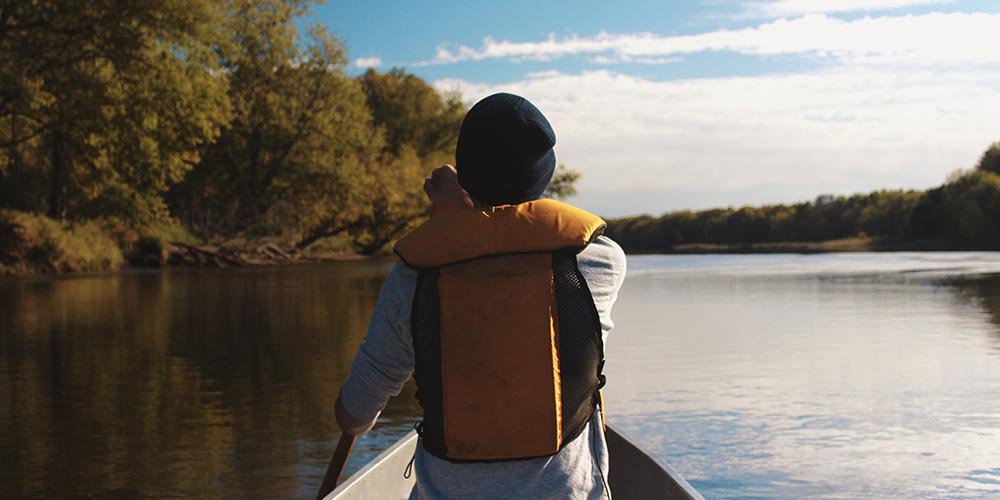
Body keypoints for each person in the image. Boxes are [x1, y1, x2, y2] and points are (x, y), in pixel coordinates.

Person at [335, 92, 626, 500]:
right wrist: (465, 215)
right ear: (544, 173)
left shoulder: (413, 276)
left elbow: (354, 415)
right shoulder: (598, 261)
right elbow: (510, 243)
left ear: (465, 174)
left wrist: (455, 219)